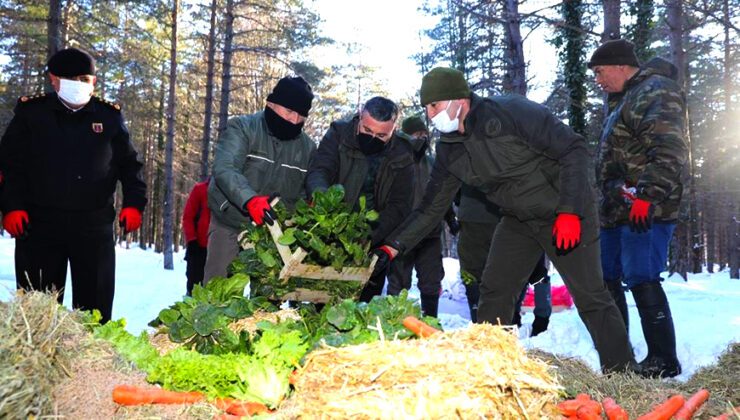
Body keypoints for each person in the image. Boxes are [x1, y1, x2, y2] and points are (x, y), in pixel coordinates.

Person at [378, 67, 635, 373]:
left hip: (562, 212)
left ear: (459, 98)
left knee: (590, 296)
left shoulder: (511, 112)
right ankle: (491, 369)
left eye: (434, 106)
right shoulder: (450, 149)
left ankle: (622, 373)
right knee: (495, 290)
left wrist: (569, 210)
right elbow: (430, 208)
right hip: (518, 219)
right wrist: (392, 247)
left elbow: (573, 149)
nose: (431, 115)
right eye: (427, 108)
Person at [0, 47, 147, 323]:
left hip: (93, 228)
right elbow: (9, 166)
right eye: (74, 78)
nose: (82, 84)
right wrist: (11, 207)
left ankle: (93, 365)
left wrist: (134, 205)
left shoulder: (109, 117)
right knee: (37, 312)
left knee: (94, 314)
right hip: (39, 227)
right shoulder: (32, 114)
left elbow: (131, 167)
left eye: (87, 78)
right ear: (54, 80)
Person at [589, 39, 688, 378]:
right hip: (618, 209)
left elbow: (669, 149)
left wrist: (647, 195)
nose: (598, 80)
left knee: (642, 277)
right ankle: (620, 356)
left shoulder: (655, 90)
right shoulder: (622, 99)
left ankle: (664, 358)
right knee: (608, 277)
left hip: (646, 208)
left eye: (600, 72)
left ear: (620, 65)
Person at [204, 76, 316, 284]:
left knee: (268, 298)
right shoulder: (242, 128)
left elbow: (304, 191)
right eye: (289, 111)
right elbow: (225, 168)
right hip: (230, 221)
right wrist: (250, 200)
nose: (294, 120)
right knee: (217, 291)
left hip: (274, 233)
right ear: (271, 104)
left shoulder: (308, 148)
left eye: (301, 116)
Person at [305, 96, 414, 303]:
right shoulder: (338, 134)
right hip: (329, 233)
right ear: (360, 117)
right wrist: (323, 201)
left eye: (382, 135)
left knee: (362, 306)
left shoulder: (403, 152)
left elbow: (400, 205)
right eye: (367, 131)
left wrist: (368, 236)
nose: (373, 138)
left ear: (394, 129)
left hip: (373, 240)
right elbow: (320, 170)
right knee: (318, 300)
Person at [386, 116, 453, 317]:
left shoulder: (432, 164)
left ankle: (430, 320)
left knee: (431, 281)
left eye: (424, 135)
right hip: (401, 234)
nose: (422, 139)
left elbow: (442, 197)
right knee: (399, 283)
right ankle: (395, 321)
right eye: (417, 135)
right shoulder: (394, 163)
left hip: (430, 234)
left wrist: (451, 220)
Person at [182, 177, 210, 296]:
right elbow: (188, 217)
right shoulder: (200, 189)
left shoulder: (232, 192)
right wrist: (192, 240)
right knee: (194, 287)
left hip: (222, 249)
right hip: (198, 248)